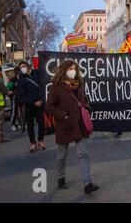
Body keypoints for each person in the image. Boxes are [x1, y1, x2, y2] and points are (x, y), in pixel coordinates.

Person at [45, 60, 99, 194]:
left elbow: (84, 100)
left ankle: (87, 183)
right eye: (70, 68)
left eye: (74, 68)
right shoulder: (56, 87)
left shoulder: (80, 83)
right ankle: (61, 178)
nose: (73, 71)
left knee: (83, 153)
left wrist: (86, 108)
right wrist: (63, 115)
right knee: (62, 154)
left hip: (79, 124)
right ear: (64, 70)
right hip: (65, 125)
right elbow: (49, 106)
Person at [17, 61, 45, 153]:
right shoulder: (21, 80)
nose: (22, 68)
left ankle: (40, 141)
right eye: (20, 67)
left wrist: (41, 100)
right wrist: (33, 103)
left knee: (41, 123)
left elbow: (43, 85)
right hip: (29, 106)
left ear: (28, 66)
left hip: (40, 104)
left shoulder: (37, 73)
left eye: (24, 66)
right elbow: (21, 96)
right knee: (30, 125)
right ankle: (33, 143)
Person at [8, 66, 24, 131]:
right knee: (14, 111)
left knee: (21, 111)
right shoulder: (13, 79)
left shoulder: (22, 78)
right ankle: (13, 124)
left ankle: (20, 123)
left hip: (21, 97)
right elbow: (9, 87)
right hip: (15, 97)